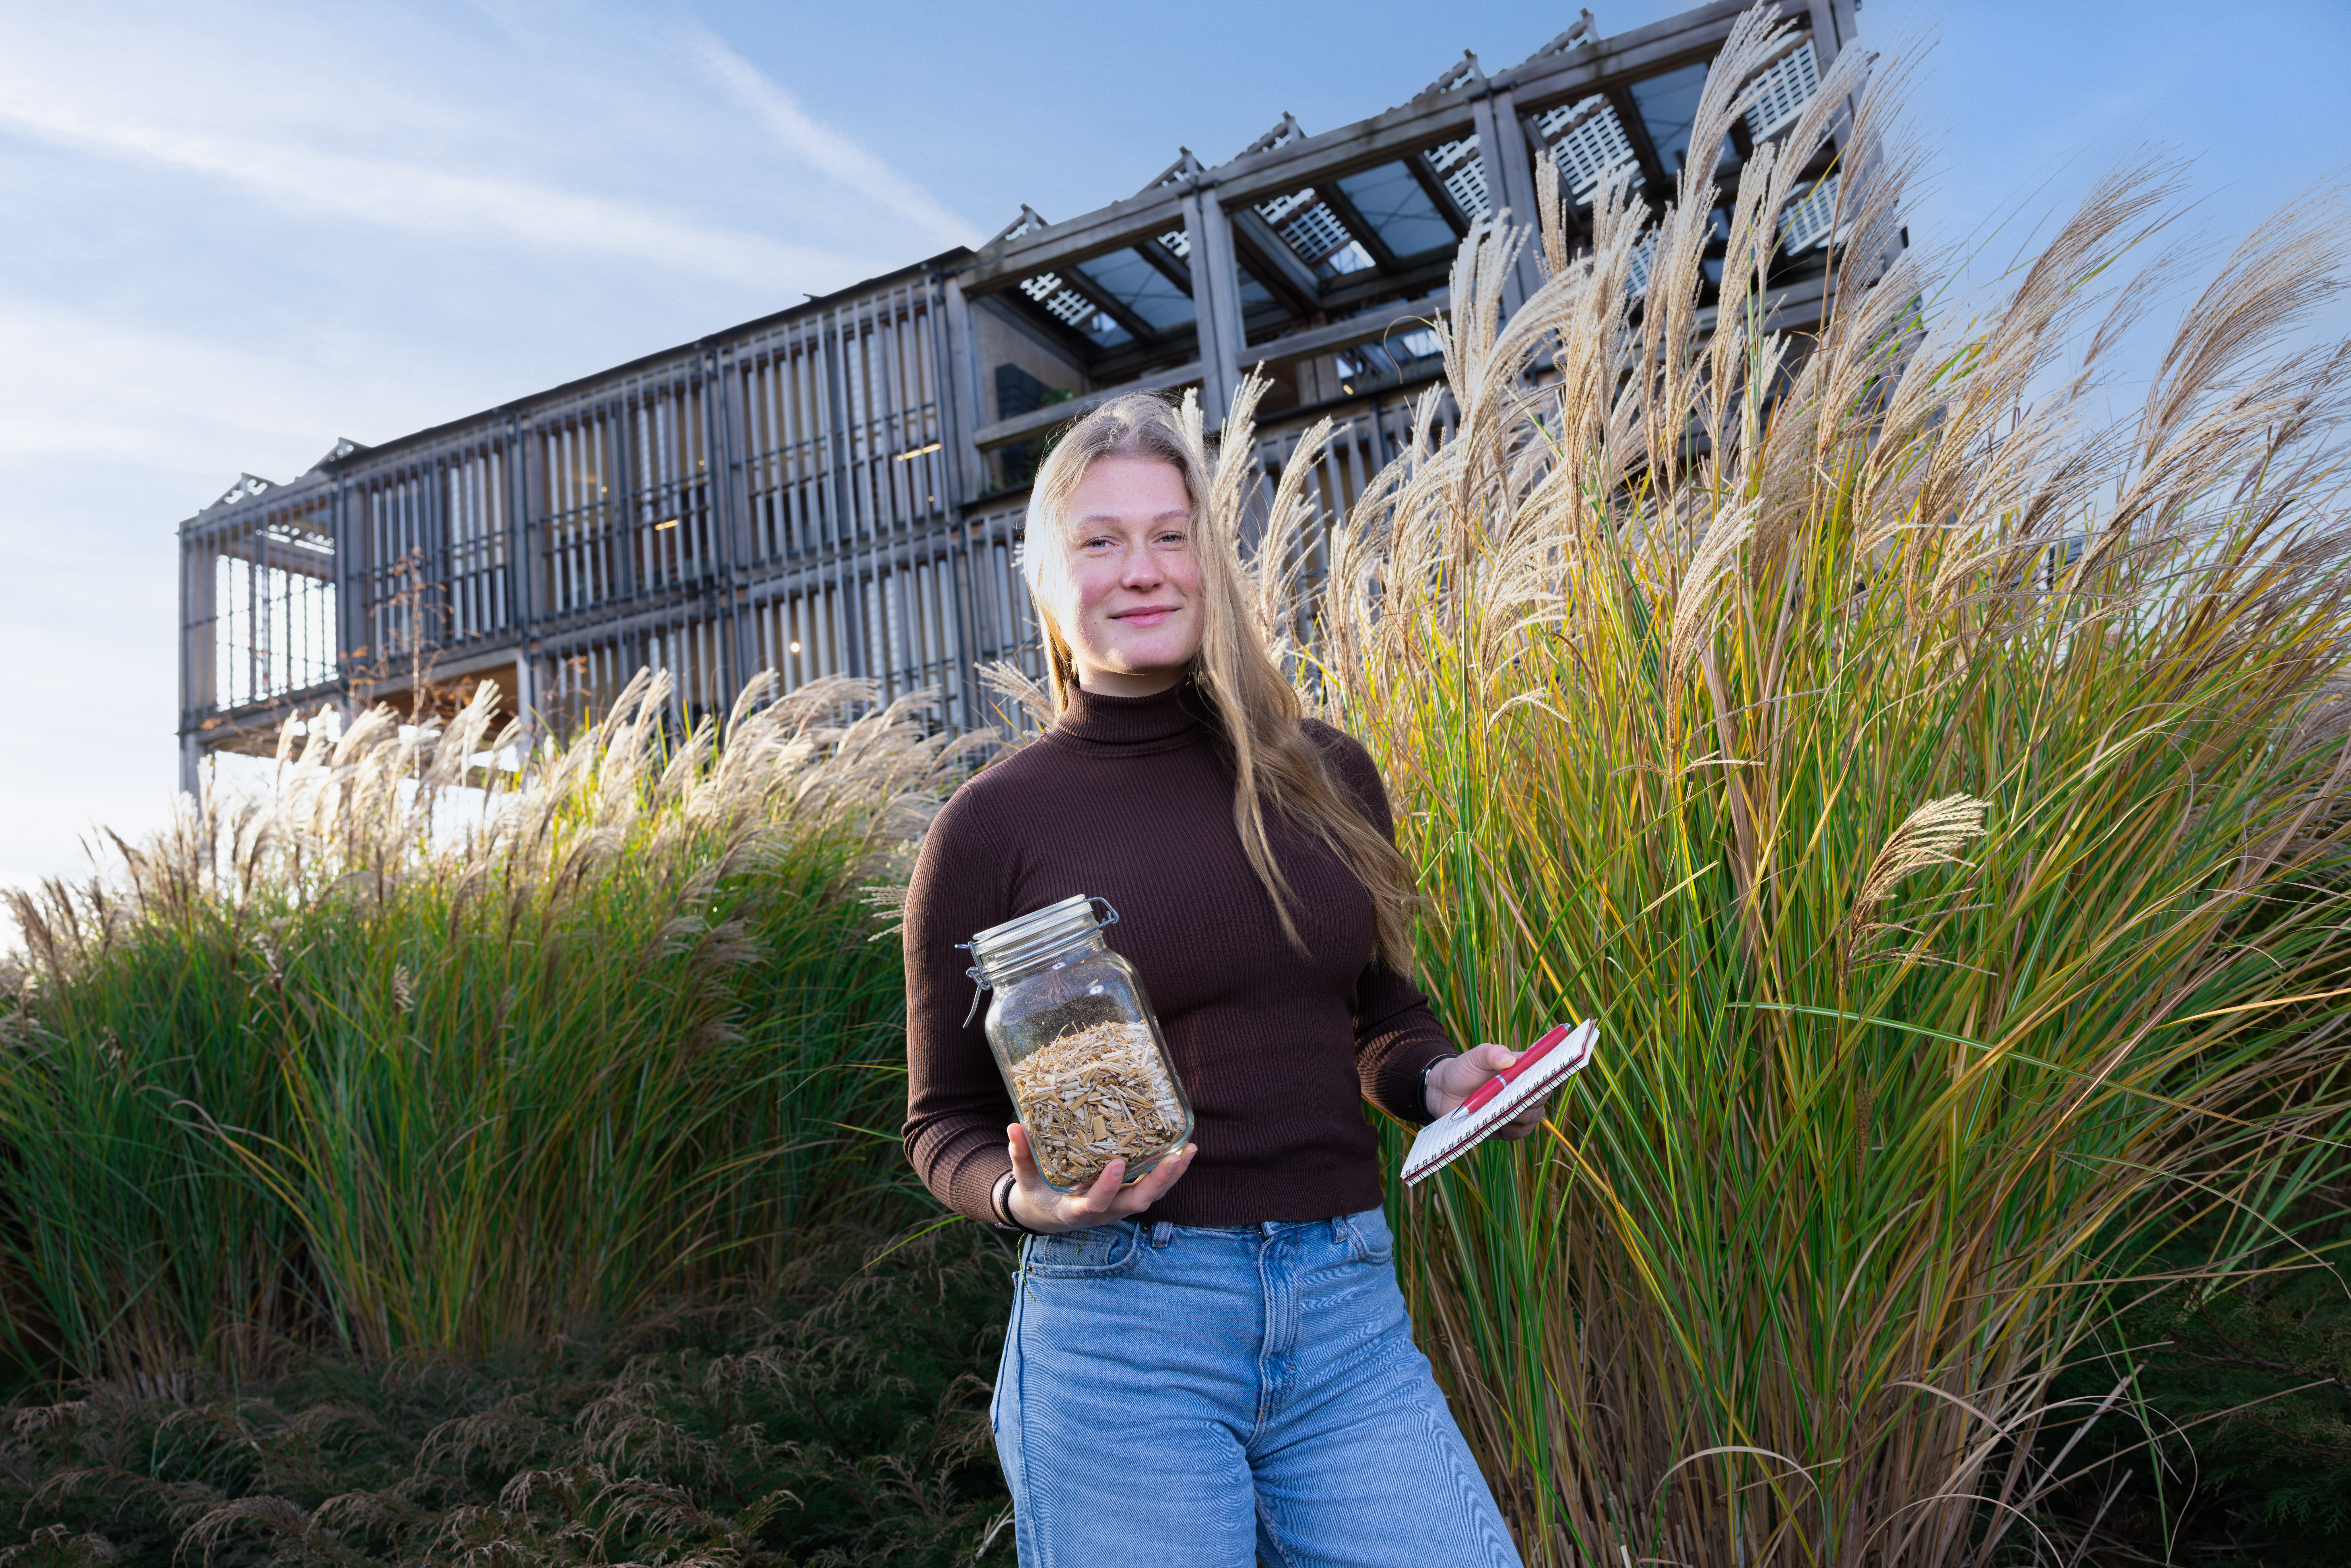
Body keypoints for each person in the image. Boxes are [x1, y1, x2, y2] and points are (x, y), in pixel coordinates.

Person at [901, 392, 1547, 1568]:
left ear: (1211, 558)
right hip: (1124, 1326)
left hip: (1346, 1312)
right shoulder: (990, 827)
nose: (1143, 569)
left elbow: (1376, 1014)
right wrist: (1025, 1200)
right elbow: (942, 1121)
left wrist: (1440, 1080)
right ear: (1048, 576)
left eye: (1171, 534)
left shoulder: (1322, 772)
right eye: (1101, 541)